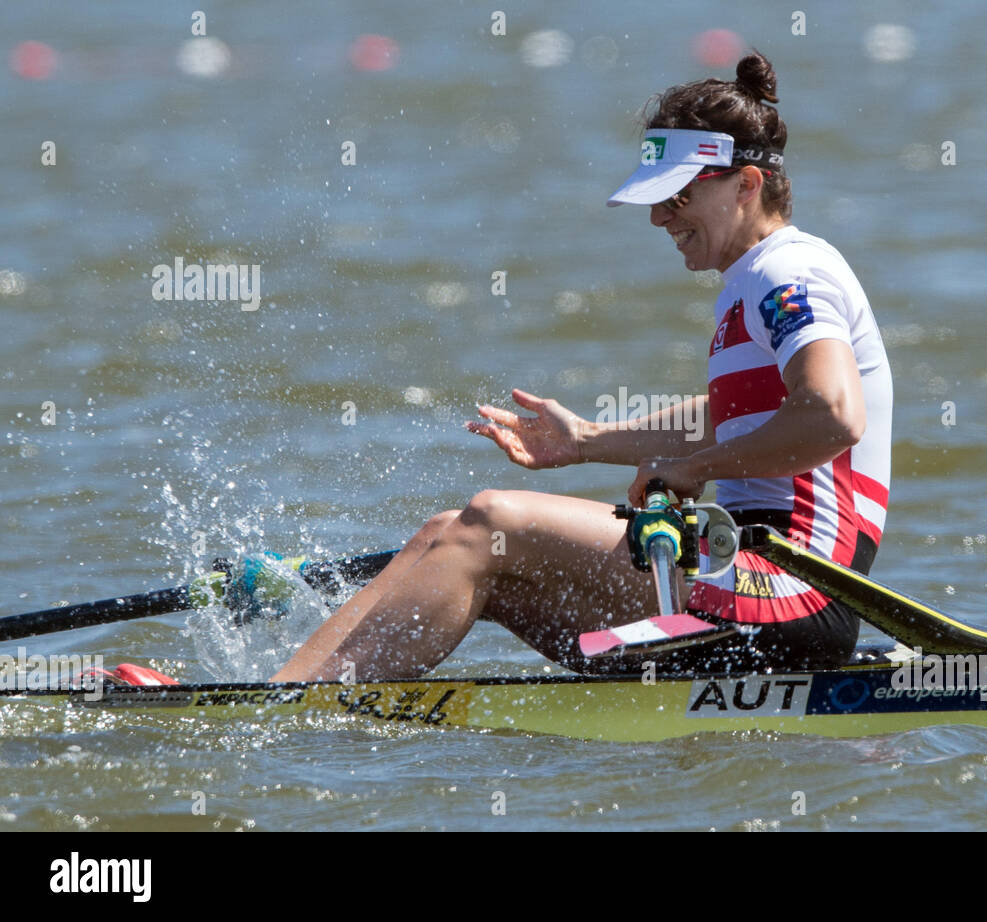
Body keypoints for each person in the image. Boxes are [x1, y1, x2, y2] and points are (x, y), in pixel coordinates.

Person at [271, 51, 891, 683]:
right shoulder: (748, 281)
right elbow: (738, 420)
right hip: (743, 575)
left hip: (793, 590)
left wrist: (693, 471)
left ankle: (283, 704)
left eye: (676, 197)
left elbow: (833, 416)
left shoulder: (788, 271)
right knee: (453, 537)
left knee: (492, 521)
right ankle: (297, 692)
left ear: (747, 185)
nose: (658, 217)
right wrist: (587, 442)